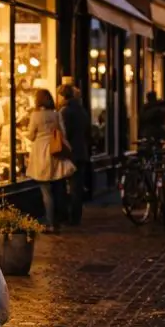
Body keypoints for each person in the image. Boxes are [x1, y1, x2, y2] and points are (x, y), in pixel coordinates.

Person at [26, 89, 74, 234]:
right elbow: (63, 133)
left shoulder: (35, 115)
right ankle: (58, 220)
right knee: (58, 189)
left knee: (46, 191)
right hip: (55, 153)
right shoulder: (56, 114)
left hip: (41, 154)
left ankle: (50, 222)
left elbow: (31, 135)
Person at [59, 84, 90, 226]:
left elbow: (64, 133)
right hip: (82, 152)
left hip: (70, 152)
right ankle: (76, 216)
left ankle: (69, 216)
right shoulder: (82, 110)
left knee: (69, 186)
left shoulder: (65, 111)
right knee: (77, 186)